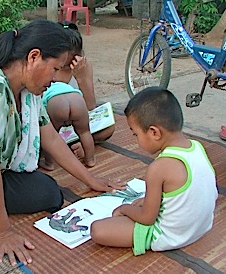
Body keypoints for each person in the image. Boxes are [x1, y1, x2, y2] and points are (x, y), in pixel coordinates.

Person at [0, 19, 125, 267]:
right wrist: (4, 233)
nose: (55, 79)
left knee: (47, 190)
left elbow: (49, 136)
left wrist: (90, 179)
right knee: (49, 193)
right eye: (55, 69)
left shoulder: (25, 89)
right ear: (33, 57)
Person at [90, 87, 218, 255]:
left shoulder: (159, 167)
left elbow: (147, 218)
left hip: (170, 234)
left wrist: (125, 209)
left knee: (97, 229)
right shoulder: (197, 147)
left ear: (154, 132)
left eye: (135, 134)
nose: (136, 140)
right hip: (201, 226)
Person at [39, 21, 115, 170]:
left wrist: (80, 78)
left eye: (67, 65)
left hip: (75, 125)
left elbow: (90, 107)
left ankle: (70, 146)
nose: (63, 68)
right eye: (60, 65)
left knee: (108, 128)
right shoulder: (48, 68)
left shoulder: (85, 66)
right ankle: (81, 149)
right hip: (52, 125)